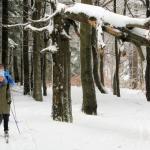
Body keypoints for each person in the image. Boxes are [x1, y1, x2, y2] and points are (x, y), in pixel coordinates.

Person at [0, 64, 14, 137]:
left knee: (6, 117)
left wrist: (9, 100)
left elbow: (8, 93)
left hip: (5, 103)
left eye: (2, 77)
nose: (1, 78)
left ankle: (6, 130)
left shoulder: (6, 84)